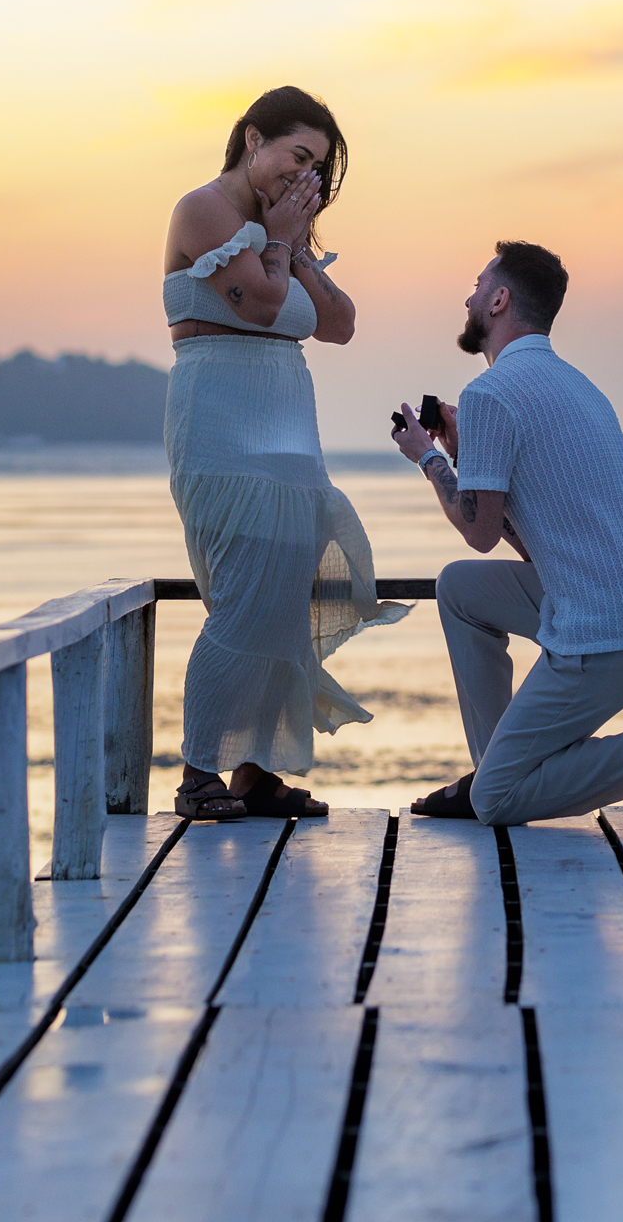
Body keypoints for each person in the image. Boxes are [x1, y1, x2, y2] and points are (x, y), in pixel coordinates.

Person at [388, 240, 623, 827]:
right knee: (461, 590)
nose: (467, 296)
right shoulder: (576, 386)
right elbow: (522, 539)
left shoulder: (491, 394)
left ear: (498, 300)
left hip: (608, 628)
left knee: (497, 803)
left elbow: (476, 531)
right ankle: (494, 763)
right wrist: (467, 454)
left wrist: (429, 458)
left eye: (477, 284)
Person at [162, 86, 407, 821]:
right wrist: (276, 241)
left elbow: (339, 325)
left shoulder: (283, 232)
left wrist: (297, 247)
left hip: (292, 433)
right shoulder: (203, 211)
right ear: (251, 140)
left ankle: (257, 772)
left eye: (317, 171)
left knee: (291, 603)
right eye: (297, 158)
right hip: (222, 427)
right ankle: (198, 772)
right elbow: (260, 307)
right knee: (241, 603)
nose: (304, 179)